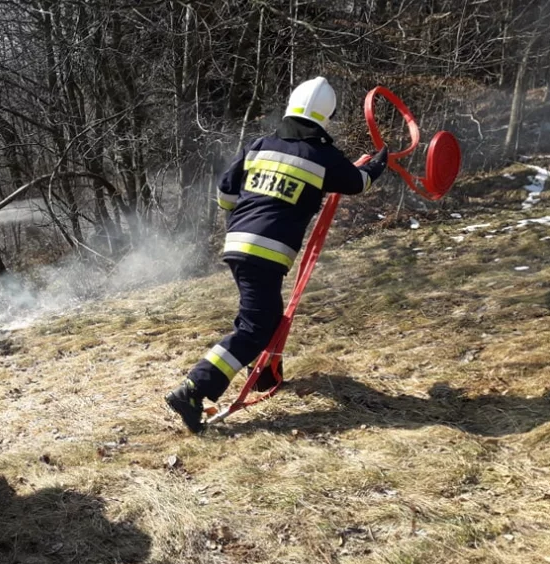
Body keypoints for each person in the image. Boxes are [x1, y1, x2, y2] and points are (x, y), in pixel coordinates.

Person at [165, 76, 389, 433]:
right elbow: (358, 183)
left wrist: (240, 223)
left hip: (238, 245)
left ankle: (266, 377)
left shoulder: (259, 145)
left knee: (266, 315)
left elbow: (225, 191)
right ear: (325, 118)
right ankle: (193, 390)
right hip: (266, 253)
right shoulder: (322, 156)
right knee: (254, 327)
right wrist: (379, 163)